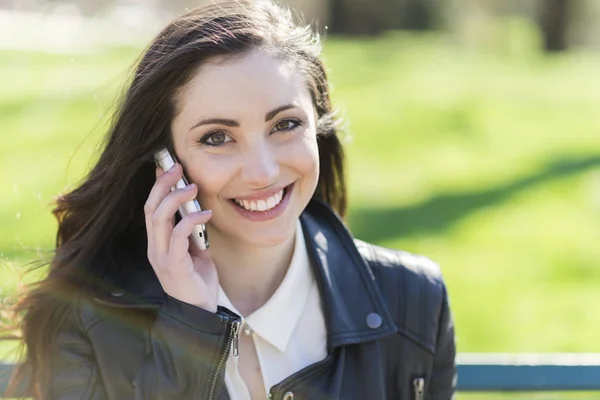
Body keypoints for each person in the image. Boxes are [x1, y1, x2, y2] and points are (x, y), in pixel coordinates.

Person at [6, 1, 456, 399]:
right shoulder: (88, 320)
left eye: (285, 125)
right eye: (217, 137)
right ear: (165, 161)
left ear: (317, 126)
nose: (262, 172)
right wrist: (189, 330)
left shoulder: (414, 300)